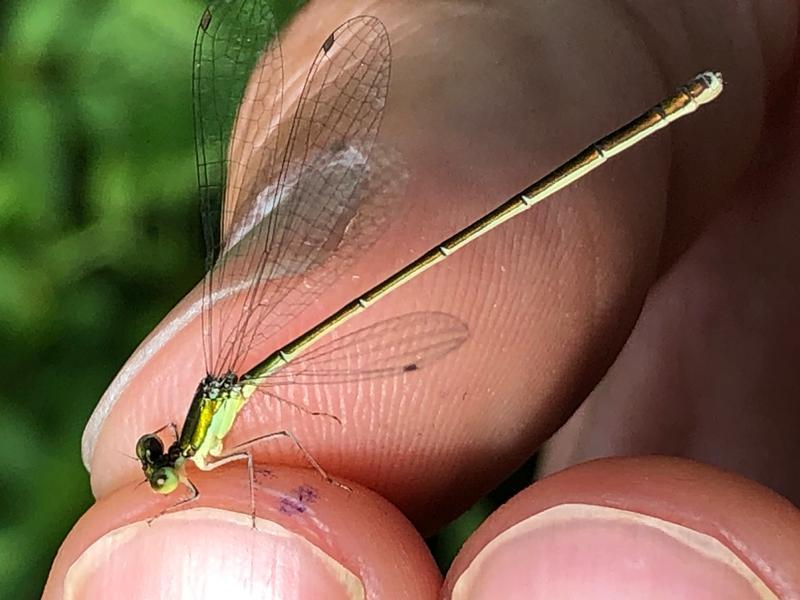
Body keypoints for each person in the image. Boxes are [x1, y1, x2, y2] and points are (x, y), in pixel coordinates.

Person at [45, 0, 800, 597]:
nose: (168, 472)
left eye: (164, 467)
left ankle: (679, 97)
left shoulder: (209, 437)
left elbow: (256, 464)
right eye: (164, 469)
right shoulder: (211, 435)